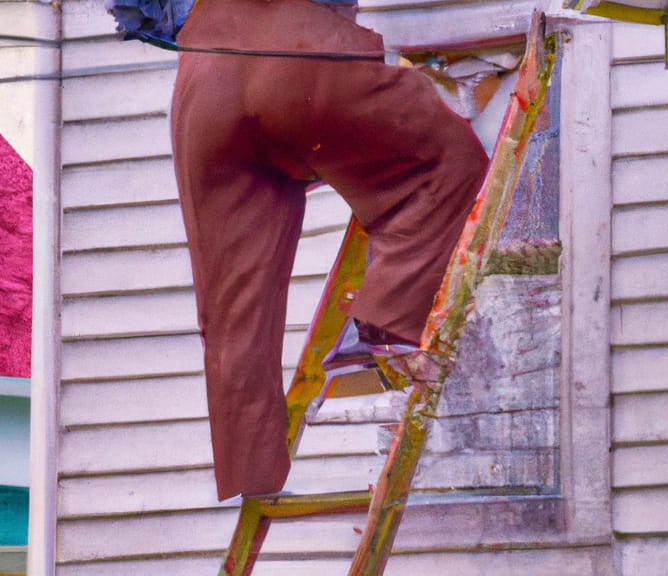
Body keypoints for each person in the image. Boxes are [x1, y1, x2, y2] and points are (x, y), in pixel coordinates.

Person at [168, 0, 488, 501]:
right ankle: (385, 328)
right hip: (304, 53)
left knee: (230, 306)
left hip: (205, 77)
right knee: (446, 162)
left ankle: (249, 470)